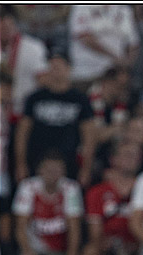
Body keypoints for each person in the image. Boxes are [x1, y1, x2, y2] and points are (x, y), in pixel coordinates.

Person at [13, 54, 96, 186]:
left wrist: (86, 168)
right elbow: (22, 132)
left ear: (68, 69)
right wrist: (20, 164)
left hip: (69, 161)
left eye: (58, 67)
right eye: (51, 67)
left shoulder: (80, 100)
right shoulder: (34, 98)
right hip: (37, 160)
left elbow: (89, 135)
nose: (54, 71)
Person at [13, 149, 84, 255]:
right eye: (49, 169)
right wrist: (28, 252)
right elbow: (20, 228)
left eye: (57, 170)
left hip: (60, 252)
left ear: (64, 172)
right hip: (35, 250)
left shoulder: (71, 188)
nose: (53, 174)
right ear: (40, 170)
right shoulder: (28, 187)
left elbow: (74, 229)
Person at [83, 140, 142, 255]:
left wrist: (138, 244)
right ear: (113, 159)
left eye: (135, 156)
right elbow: (94, 230)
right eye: (127, 155)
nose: (131, 159)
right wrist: (103, 243)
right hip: (107, 244)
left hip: (139, 243)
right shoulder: (97, 192)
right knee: (90, 254)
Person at [67, 5, 138, 90]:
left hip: (113, 74)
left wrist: (126, 65)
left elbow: (133, 42)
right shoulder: (82, 6)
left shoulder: (124, 9)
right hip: (86, 73)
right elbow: (84, 37)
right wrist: (114, 57)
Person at [0, 9, 49, 120]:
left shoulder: (33, 47)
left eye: (8, 27)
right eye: (1, 28)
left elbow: (43, 80)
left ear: (16, 25)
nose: (5, 31)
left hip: (25, 109)